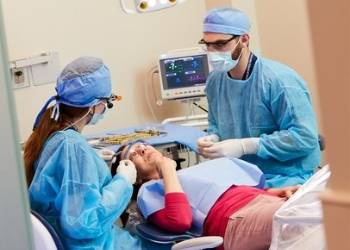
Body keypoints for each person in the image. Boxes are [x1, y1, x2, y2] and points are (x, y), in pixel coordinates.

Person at [24, 57, 146, 250]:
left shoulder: (53, 135)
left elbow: (65, 185)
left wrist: (95, 164)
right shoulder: (72, 147)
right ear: (95, 106)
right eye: (108, 101)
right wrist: (123, 181)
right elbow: (84, 223)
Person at [196, 7, 321, 188]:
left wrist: (246, 146)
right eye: (207, 44)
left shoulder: (279, 81)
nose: (212, 52)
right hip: (239, 178)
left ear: (244, 40)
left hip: (284, 179)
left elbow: (304, 137)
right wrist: (213, 137)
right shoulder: (215, 81)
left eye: (220, 44)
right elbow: (216, 122)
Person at [114, 141, 299, 250]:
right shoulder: (149, 192)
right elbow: (180, 221)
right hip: (234, 221)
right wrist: (165, 167)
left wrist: (269, 192)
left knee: (320, 196)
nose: (141, 148)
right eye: (132, 155)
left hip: (260, 200)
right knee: (307, 215)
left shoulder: (186, 175)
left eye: (142, 145)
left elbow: (223, 189)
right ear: (134, 177)